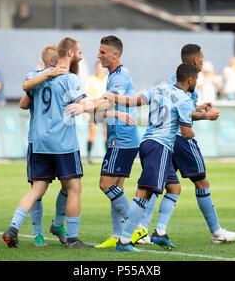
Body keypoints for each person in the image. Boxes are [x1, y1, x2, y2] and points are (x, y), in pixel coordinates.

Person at [138, 44, 235, 247]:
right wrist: (207, 115)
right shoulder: (187, 80)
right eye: (202, 58)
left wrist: (198, 107)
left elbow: (182, 108)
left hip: (165, 139)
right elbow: (181, 113)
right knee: (202, 182)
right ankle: (217, 232)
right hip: (179, 138)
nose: (203, 61)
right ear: (195, 61)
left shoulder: (175, 80)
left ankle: (145, 230)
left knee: (158, 185)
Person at [2, 37, 95, 249]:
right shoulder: (70, 79)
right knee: (74, 187)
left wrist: (45, 75)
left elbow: (23, 102)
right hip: (63, 142)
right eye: (79, 50)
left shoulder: (35, 76)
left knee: (37, 189)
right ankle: (71, 238)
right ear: (69, 54)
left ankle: (13, 228)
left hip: (39, 142)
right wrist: (103, 107)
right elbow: (84, 103)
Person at [104, 63, 198, 252]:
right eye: (196, 79)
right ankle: (124, 241)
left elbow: (133, 101)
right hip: (160, 146)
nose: (197, 82)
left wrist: (114, 98)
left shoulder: (159, 89)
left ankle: (160, 233)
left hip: (146, 143)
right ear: (190, 79)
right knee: (144, 193)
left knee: (174, 187)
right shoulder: (185, 99)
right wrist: (206, 119)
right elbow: (186, 133)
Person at [64, 35, 143, 249]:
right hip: (123, 138)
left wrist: (84, 107)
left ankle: (137, 228)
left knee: (105, 185)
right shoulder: (115, 75)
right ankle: (118, 235)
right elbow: (107, 107)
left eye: (103, 52)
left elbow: (107, 102)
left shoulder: (119, 76)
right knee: (116, 188)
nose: (98, 56)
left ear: (115, 54)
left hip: (122, 140)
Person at [19, 44, 69, 247]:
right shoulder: (39, 77)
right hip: (42, 141)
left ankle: (55, 225)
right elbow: (23, 101)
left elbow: (23, 104)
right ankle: (38, 234)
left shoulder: (44, 77)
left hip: (51, 141)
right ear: (52, 61)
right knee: (39, 189)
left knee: (68, 185)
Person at [84, 61, 108, 164]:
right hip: (94, 109)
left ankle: (108, 157)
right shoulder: (90, 80)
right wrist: (86, 111)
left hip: (105, 109)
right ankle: (89, 157)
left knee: (107, 133)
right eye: (98, 67)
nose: (100, 69)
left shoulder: (108, 79)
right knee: (92, 133)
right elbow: (87, 95)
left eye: (102, 67)